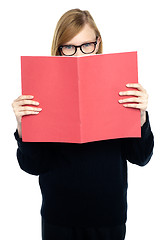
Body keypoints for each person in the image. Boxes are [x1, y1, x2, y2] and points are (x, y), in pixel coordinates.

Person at [12, 8, 154, 240]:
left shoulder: (120, 87)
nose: (78, 55)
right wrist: (22, 126)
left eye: (86, 45)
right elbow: (32, 166)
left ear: (98, 43)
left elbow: (141, 157)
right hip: (59, 218)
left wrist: (140, 118)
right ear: (58, 48)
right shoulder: (43, 92)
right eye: (69, 47)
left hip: (109, 216)